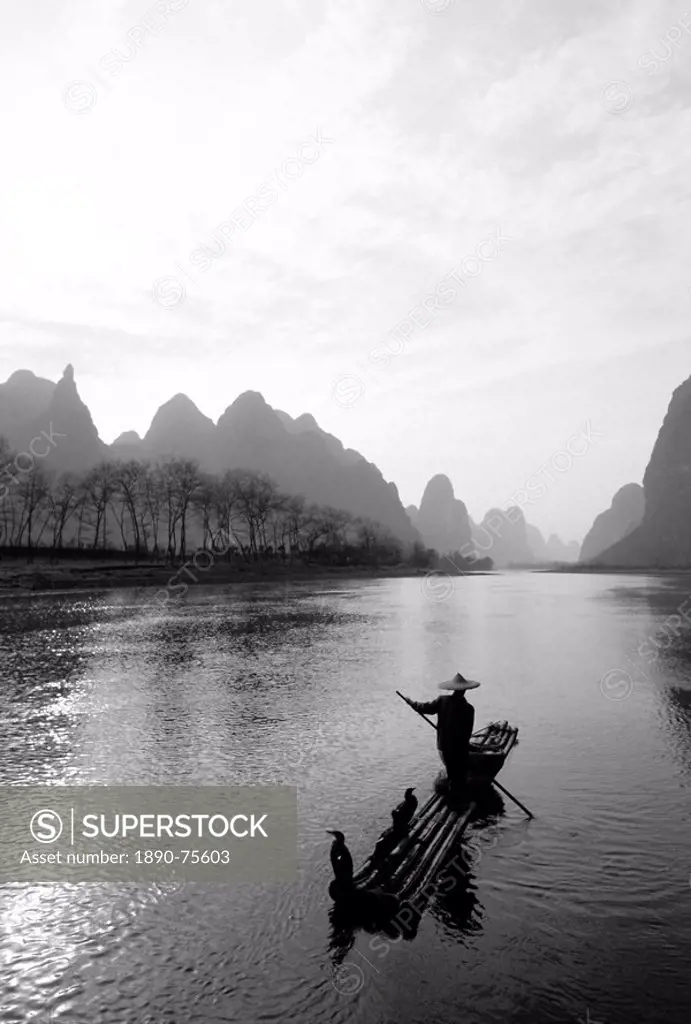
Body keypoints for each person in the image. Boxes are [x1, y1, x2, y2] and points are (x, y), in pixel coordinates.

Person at [406, 672, 480, 795]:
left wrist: (411, 702)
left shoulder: (442, 701)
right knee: (460, 776)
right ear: (465, 690)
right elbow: (467, 733)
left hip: (445, 747)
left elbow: (424, 708)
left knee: (452, 775)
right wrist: (469, 747)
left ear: (453, 689)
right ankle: (457, 802)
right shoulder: (469, 708)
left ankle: (454, 800)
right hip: (460, 749)